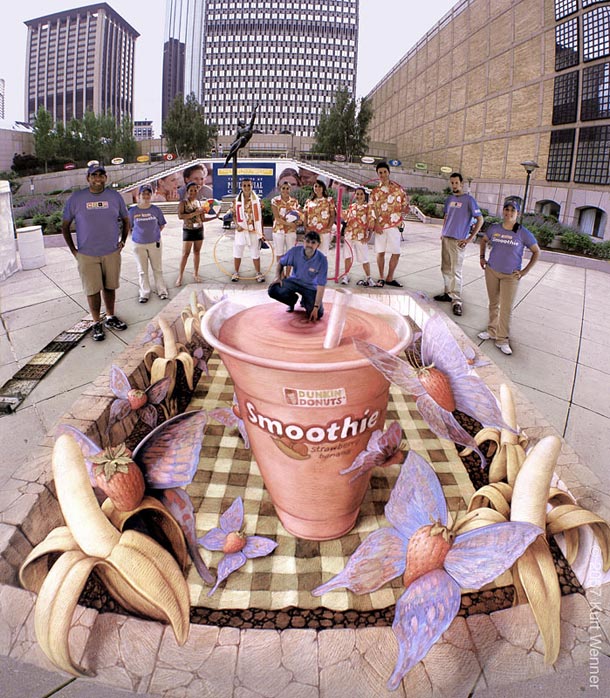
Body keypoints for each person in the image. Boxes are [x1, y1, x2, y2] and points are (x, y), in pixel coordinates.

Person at [62, 164, 130, 342]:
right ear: (88, 178)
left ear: (106, 178)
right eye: (94, 176)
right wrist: (74, 251)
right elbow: (65, 226)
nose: (97, 179)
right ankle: (96, 322)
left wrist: (122, 241)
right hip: (87, 254)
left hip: (111, 252)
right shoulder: (77, 198)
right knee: (92, 290)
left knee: (110, 286)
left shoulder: (114, 197)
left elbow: (125, 219)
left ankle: (110, 317)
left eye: (101, 175)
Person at [478, 200, 540, 356]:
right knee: (493, 303)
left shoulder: (522, 232)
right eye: (506, 209)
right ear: (503, 211)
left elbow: (536, 251)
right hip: (492, 270)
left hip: (510, 276)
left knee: (505, 308)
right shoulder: (494, 229)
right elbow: (483, 240)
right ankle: (492, 331)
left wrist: (524, 271)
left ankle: (502, 339)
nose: (509, 212)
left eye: (513, 210)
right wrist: (481, 257)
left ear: (517, 213)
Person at [434, 172, 484, 316]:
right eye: (452, 183)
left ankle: (456, 300)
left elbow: (480, 220)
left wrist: (469, 238)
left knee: (456, 271)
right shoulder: (449, 199)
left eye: (457, 183)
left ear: (462, 184)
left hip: (458, 241)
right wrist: (443, 232)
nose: (454, 185)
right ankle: (447, 293)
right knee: (445, 268)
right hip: (446, 238)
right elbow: (447, 216)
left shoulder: (469, 200)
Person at [268, 231, 327, 321]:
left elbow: (321, 285)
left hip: (311, 288)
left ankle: (305, 300)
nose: (310, 245)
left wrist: (316, 307)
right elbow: (281, 262)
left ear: (318, 245)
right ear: (303, 242)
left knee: (318, 314)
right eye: (307, 241)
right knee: (273, 289)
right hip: (294, 282)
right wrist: (278, 277)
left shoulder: (322, 260)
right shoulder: (295, 251)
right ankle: (292, 301)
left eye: (313, 243)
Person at [369, 161, 410, 287]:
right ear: (377, 174)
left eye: (384, 172)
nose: (382, 174)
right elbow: (372, 209)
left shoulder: (398, 190)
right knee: (380, 252)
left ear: (389, 172)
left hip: (394, 225)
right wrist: (376, 224)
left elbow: (404, 207)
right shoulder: (375, 192)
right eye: (380, 172)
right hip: (381, 226)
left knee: (396, 252)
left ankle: (390, 277)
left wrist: (406, 209)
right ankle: (381, 277)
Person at [128, 184, 169, 303]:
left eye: (148, 193)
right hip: (138, 245)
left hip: (154, 244)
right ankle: (144, 293)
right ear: (139, 195)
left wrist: (153, 235)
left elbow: (161, 224)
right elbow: (129, 227)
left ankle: (162, 291)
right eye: (143, 194)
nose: (146, 196)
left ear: (151, 195)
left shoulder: (155, 210)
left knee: (157, 269)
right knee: (142, 270)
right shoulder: (133, 211)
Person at [341, 187, 380, 287]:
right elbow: (345, 218)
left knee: (364, 258)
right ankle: (346, 275)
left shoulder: (368, 207)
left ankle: (368, 277)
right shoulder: (351, 206)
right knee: (347, 256)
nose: (359, 196)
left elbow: (371, 222)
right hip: (349, 234)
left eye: (361, 194)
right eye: (357, 194)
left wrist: (368, 237)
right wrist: (339, 209)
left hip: (361, 236)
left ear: (364, 195)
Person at [231, 178, 266, 283]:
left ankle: (258, 273)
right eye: (244, 185)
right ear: (241, 187)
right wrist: (237, 225)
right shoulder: (236, 201)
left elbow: (260, 218)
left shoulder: (258, 200)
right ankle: (236, 272)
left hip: (254, 231)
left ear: (252, 186)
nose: (247, 187)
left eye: (249, 185)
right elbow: (234, 215)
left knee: (255, 252)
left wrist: (261, 232)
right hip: (241, 230)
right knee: (238, 251)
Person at [176, 181, 206, 286]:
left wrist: (215, 216)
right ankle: (180, 276)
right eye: (191, 190)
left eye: (195, 190)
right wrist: (194, 213)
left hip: (199, 229)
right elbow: (180, 216)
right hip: (188, 230)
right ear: (187, 191)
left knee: (197, 252)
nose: (193, 192)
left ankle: (196, 273)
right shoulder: (183, 203)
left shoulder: (199, 202)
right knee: (185, 254)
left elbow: (202, 218)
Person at [303, 180, 336, 256]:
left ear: (323, 188)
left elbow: (332, 215)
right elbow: (305, 215)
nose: (317, 188)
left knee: (323, 253)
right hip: (312, 231)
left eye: (319, 186)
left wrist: (329, 227)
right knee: (311, 253)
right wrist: (306, 228)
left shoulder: (329, 200)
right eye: (315, 186)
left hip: (324, 231)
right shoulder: (309, 201)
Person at [271, 182, 302, 258]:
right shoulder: (275, 201)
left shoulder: (294, 201)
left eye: (287, 188)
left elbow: (299, 215)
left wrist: (298, 222)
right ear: (280, 189)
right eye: (283, 188)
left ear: (290, 189)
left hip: (291, 231)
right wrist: (289, 224)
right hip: (278, 230)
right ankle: (280, 270)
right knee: (279, 254)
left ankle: (289, 270)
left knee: (290, 254)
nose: (285, 190)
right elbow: (277, 218)